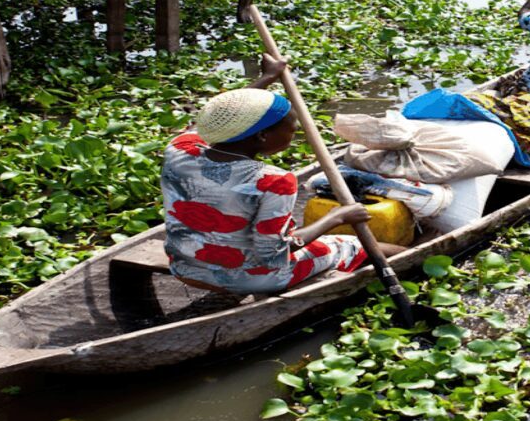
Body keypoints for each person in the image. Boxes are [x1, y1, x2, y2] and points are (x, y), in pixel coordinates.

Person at [160, 55, 404, 294]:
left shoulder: (179, 148)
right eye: (292, 130)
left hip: (184, 267)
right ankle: (414, 263)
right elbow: (273, 253)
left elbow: (222, 118)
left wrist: (268, 77)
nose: (294, 135)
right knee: (349, 244)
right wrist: (337, 217)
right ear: (262, 136)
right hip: (253, 280)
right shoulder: (272, 181)